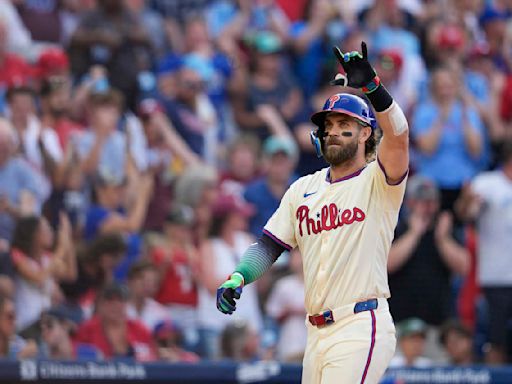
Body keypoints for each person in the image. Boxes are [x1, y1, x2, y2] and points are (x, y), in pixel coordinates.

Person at [216, 41, 409, 383]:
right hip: (315, 333)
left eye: (343, 124)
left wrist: (373, 89)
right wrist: (239, 276)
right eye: (328, 125)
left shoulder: (378, 179)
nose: (333, 131)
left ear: (366, 132)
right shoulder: (302, 188)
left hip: (359, 324)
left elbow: (399, 134)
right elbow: (270, 245)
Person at [455, 140, 512, 364]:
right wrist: (467, 200)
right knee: (495, 340)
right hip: (496, 276)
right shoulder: (487, 184)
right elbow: (465, 213)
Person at [74, 282, 156, 362]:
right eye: (110, 300)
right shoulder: (87, 329)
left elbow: (153, 358)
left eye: (120, 300)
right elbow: (75, 356)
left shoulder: (139, 329)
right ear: (100, 304)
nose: (115, 305)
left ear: (126, 304)